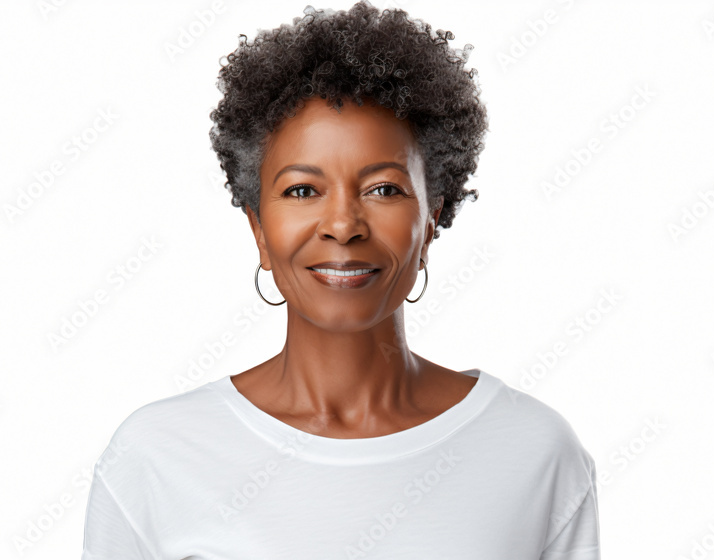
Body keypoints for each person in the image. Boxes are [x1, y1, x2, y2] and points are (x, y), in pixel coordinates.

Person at [81, 2, 599, 558]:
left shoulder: (534, 453)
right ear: (258, 227)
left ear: (430, 222)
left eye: (384, 189)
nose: (343, 226)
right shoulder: (156, 458)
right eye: (302, 190)